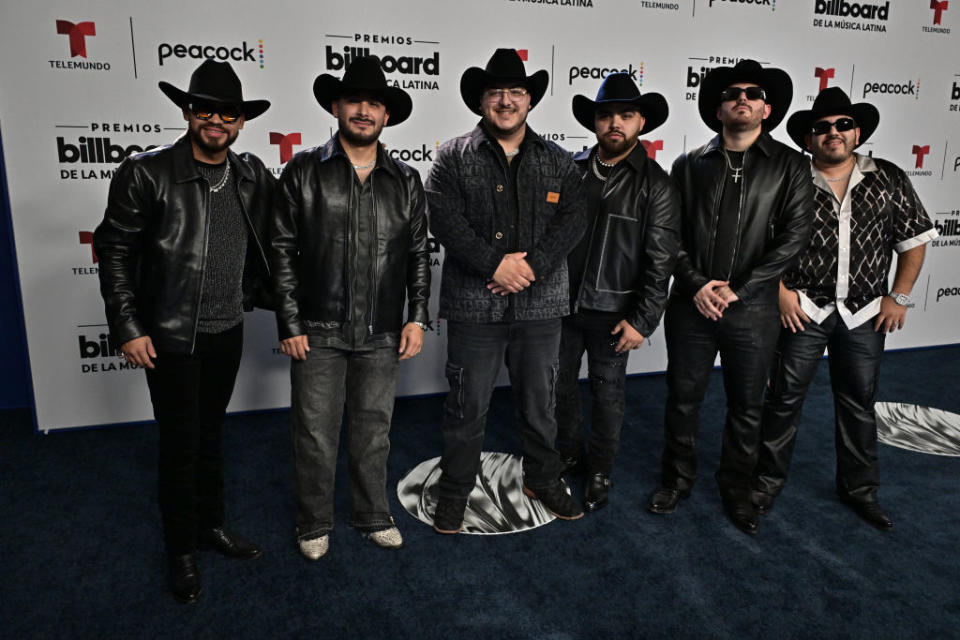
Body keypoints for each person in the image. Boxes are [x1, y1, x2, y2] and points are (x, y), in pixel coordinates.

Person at [93, 59, 273, 603]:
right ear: (187, 112)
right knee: (179, 445)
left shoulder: (249, 174)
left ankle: (209, 527)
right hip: (172, 335)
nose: (215, 120)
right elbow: (115, 250)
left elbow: (279, 237)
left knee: (212, 434)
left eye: (228, 113)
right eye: (204, 109)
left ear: (241, 122)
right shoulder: (146, 172)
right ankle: (181, 551)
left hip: (229, 328)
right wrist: (127, 324)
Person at [752, 87, 938, 530]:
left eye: (842, 125)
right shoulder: (789, 178)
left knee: (858, 403)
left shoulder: (888, 177)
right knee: (782, 401)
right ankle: (765, 483)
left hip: (864, 313)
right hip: (803, 310)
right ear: (808, 138)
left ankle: (860, 491)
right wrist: (778, 291)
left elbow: (913, 242)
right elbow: (761, 241)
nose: (833, 133)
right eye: (822, 128)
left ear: (857, 132)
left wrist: (900, 296)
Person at [269, 56, 431, 559]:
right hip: (317, 329)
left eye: (375, 103)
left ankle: (370, 513)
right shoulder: (302, 169)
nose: (364, 110)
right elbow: (281, 249)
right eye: (355, 101)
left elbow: (419, 253)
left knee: (373, 432)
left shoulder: (405, 179)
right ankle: (314, 521)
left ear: (387, 115)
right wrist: (290, 320)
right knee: (315, 435)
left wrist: (417, 315)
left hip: (382, 331)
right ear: (337, 106)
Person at [648, 59, 813, 535]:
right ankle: (676, 480)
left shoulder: (790, 166)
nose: (742, 98)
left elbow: (794, 238)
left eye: (752, 93)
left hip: (754, 309)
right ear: (717, 109)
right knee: (683, 398)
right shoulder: (687, 165)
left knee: (746, 405)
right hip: (691, 305)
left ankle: (737, 489)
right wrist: (698, 284)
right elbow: (666, 235)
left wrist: (738, 290)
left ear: (767, 107)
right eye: (731, 93)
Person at [425, 48, 587, 533]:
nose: (505, 100)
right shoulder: (451, 156)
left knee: (541, 403)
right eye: (495, 92)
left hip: (541, 307)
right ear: (481, 101)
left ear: (530, 99)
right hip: (474, 306)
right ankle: (455, 490)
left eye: (515, 91)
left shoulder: (560, 161)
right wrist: (495, 263)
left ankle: (543, 477)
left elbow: (572, 222)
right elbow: (443, 221)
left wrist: (528, 268)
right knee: (465, 406)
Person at [557, 72, 680, 511]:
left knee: (607, 394)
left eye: (625, 115)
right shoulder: (570, 170)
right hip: (560, 305)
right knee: (559, 387)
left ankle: (600, 469)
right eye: (606, 114)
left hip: (614, 311)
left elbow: (660, 259)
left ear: (641, 122)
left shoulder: (657, 184)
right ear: (594, 122)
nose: (615, 123)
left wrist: (644, 319)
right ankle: (568, 452)